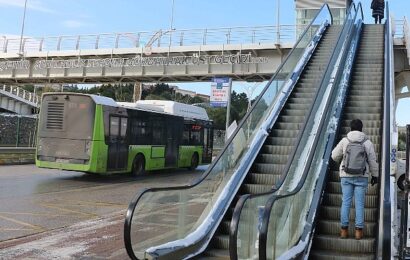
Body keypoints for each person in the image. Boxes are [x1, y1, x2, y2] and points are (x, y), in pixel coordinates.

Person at [331, 119, 379, 240]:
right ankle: (358, 232)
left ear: (350, 128)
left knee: (346, 202)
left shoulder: (345, 140)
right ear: (361, 129)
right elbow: (373, 160)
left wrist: (342, 160)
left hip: (346, 176)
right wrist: (375, 175)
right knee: (359, 204)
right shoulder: (367, 142)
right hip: (361, 176)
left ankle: (344, 231)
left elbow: (334, 155)